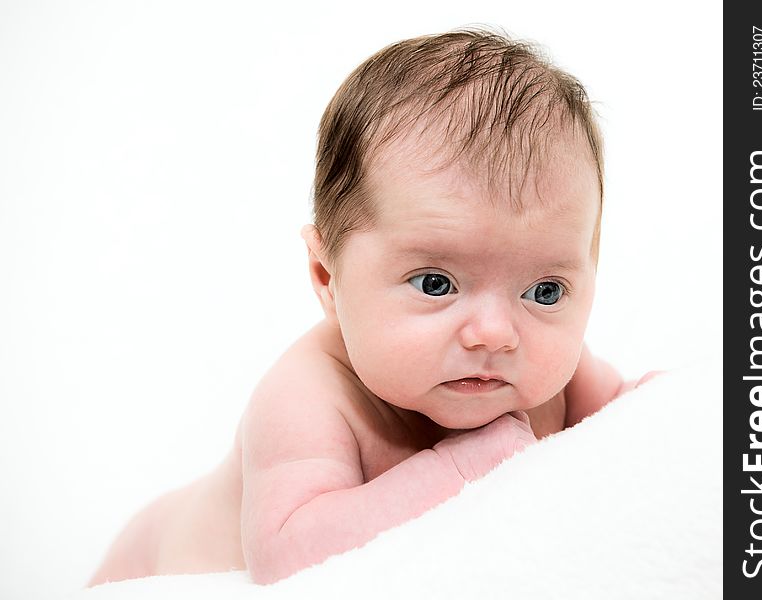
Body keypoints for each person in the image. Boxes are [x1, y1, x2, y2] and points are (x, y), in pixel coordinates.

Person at [88, 28, 654, 587]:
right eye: (435, 283)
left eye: (545, 292)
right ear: (326, 277)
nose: (494, 333)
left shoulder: (557, 370)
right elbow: (287, 555)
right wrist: (461, 469)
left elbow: (642, 416)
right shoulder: (309, 395)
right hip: (156, 566)